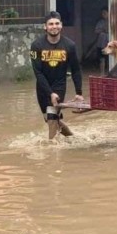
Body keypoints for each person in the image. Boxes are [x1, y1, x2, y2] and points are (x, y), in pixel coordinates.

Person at [30, 11, 84, 139]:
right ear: (45, 27)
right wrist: (50, 93)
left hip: (59, 86)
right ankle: (72, 138)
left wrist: (79, 92)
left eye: (56, 23)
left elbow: (76, 69)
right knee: (50, 120)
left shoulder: (69, 45)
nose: (54, 26)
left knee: (52, 118)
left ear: (61, 25)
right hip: (43, 87)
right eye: (50, 24)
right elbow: (38, 72)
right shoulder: (36, 45)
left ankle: (52, 149)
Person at [94, 7, 109, 75]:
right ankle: (102, 73)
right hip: (101, 43)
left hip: (109, 44)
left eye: (105, 13)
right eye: (102, 13)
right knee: (102, 59)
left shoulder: (112, 21)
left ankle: (110, 72)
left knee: (110, 58)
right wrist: (103, 30)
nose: (103, 14)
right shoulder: (100, 22)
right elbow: (96, 31)